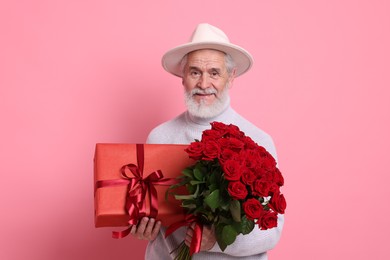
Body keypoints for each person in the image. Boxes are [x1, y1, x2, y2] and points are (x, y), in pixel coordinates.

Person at [130, 23, 284, 259]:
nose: (203, 84)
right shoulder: (159, 137)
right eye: (194, 72)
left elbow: (272, 230)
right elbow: (152, 214)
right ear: (183, 77)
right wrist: (143, 228)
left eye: (214, 72)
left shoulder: (259, 140)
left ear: (231, 77)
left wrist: (216, 241)